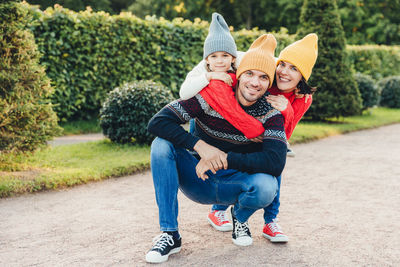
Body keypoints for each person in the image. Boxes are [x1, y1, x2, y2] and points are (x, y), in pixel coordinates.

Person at [146, 34, 287, 263]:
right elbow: (158, 122)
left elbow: (275, 162)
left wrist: (222, 158)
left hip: (236, 184)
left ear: (268, 83)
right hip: (198, 178)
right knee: (161, 145)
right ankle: (169, 234)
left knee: (267, 185)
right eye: (249, 73)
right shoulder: (210, 96)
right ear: (238, 75)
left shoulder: (271, 115)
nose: (254, 82)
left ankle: (239, 218)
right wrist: (200, 147)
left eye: (263, 77)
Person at [180, 33, 319, 242]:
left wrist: (287, 111)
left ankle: (270, 221)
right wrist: (207, 74)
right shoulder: (264, 76)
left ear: (303, 77)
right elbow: (221, 61)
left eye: (294, 69)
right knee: (235, 152)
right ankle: (218, 209)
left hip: (261, 135)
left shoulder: (303, 98)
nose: (283, 72)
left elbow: (285, 135)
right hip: (227, 125)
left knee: (274, 160)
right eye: (283, 64)